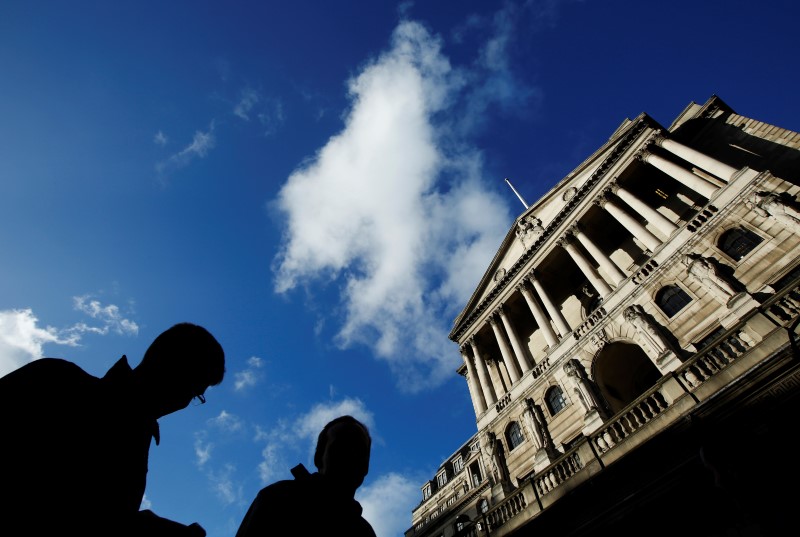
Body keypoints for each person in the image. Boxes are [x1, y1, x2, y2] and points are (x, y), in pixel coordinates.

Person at [0, 322, 225, 537]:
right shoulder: (53, 379)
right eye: (194, 389)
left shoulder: (135, 444)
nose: (185, 401)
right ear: (166, 364)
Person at [235, 415, 377, 537]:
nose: (351, 455)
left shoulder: (365, 532)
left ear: (367, 467)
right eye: (341, 446)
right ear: (318, 457)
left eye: (360, 451)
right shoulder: (278, 497)